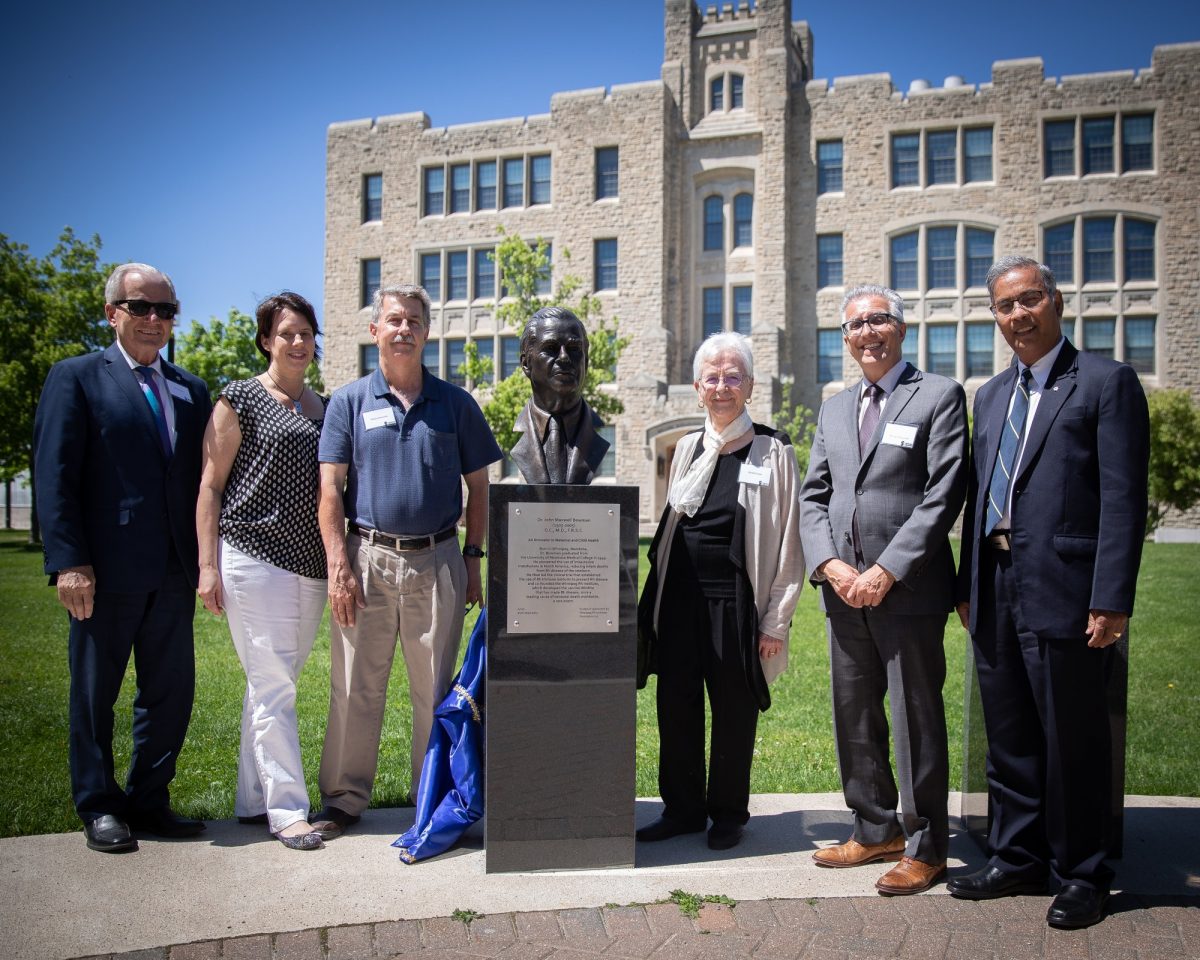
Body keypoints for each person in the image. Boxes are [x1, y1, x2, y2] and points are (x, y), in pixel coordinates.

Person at [949, 256, 1149, 929]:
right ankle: (1018, 856)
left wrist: (1112, 595)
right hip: (995, 583)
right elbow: (980, 496)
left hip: (1069, 588)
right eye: (1004, 306)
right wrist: (966, 583)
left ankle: (1082, 872)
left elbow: (1122, 497)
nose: (1017, 316)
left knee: (1074, 738)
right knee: (1009, 733)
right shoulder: (991, 395)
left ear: (1057, 303)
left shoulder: (1104, 382)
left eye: (1029, 300)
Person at [33, 262, 212, 853]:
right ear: (113, 313)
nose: (155, 321)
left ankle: (149, 799)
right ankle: (99, 805)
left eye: (166, 310)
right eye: (142, 308)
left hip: (172, 571)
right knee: (94, 693)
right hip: (102, 573)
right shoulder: (76, 378)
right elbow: (54, 477)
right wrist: (68, 561)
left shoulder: (191, 389)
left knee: (169, 693)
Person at [312, 282, 502, 840]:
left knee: (436, 689)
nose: (404, 329)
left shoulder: (456, 403)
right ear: (375, 331)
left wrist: (472, 559)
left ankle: (432, 798)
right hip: (366, 557)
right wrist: (338, 568)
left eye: (414, 321)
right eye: (394, 320)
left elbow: (480, 490)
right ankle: (344, 799)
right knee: (354, 686)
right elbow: (329, 491)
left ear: (426, 331)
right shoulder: (348, 402)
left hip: (438, 558)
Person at [798, 284, 967, 895]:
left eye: (877, 321)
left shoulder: (939, 396)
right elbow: (813, 496)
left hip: (908, 591)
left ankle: (927, 848)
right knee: (855, 715)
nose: (865, 333)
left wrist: (886, 570)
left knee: (915, 717)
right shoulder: (834, 408)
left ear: (899, 328)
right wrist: (830, 566)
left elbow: (943, 494)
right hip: (843, 593)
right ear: (844, 340)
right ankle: (874, 829)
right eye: (853, 326)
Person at [637, 331, 802, 851]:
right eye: (713, 377)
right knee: (676, 704)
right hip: (681, 601)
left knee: (734, 709)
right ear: (697, 387)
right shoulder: (687, 446)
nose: (723, 386)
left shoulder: (772, 450)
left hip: (736, 602)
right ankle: (682, 809)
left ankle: (728, 812)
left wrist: (776, 619)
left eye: (734, 376)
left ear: (750, 386)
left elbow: (790, 541)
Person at [196, 292, 328, 851]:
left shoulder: (323, 407)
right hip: (252, 555)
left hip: (312, 563)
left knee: (272, 682)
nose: (298, 343)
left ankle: (251, 801)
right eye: (287, 333)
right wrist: (207, 566)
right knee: (274, 684)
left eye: (306, 333)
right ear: (266, 340)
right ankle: (287, 810)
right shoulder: (240, 398)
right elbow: (209, 485)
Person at [510, 306, 609, 485]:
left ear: (586, 360)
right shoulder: (512, 436)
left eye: (574, 348)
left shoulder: (598, 437)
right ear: (526, 364)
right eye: (551, 348)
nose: (564, 357)